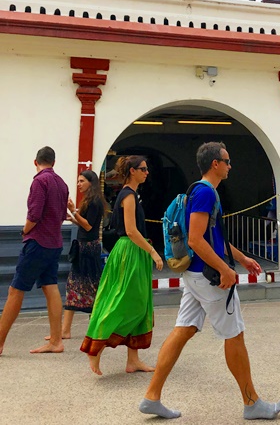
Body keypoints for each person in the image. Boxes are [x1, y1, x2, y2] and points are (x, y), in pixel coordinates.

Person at [139, 142, 280, 421]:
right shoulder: (206, 193)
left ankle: (152, 397)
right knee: (235, 335)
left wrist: (240, 258)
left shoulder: (200, 190)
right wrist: (225, 270)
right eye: (227, 161)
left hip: (194, 275)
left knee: (183, 330)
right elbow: (195, 239)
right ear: (215, 164)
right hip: (208, 277)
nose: (231, 166)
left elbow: (212, 237)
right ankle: (252, 403)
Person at [80, 156, 163, 375]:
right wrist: (153, 252)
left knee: (141, 304)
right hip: (130, 251)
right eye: (143, 169)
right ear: (132, 171)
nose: (147, 172)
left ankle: (133, 360)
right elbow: (131, 230)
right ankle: (95, 347)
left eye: (147, 168)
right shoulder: (128, 195)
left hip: (133, 251)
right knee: (123, 302)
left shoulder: (132, 194)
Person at [0, 146, 69, 355]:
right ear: (54, 163)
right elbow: (62, 215)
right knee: (51, 287)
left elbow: (34, 214)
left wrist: (24, 231)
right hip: (55, 242)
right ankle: (56, 341)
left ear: (35, 162)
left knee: (15, 290)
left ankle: (0, 342)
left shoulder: (39, 181)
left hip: (37, 242)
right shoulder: (62, 183)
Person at [45, 170, 109, 340]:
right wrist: (73, 218)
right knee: (75, 287)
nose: (79, 184)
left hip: (89, 249)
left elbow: (88, 226)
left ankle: (94, 326)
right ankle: (66, 330)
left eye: (82, 181)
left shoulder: (95, 202)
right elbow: (85, 224)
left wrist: (74, 212)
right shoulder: (89, 201)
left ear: (91, 182)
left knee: (90, 287)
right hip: (83, 247)